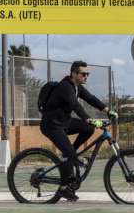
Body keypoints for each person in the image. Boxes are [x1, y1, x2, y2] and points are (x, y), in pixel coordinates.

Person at [40, 60, 116, 202]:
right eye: (83, 74)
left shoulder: (77, 87)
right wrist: (88, 118)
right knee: (71, 151)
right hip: (52, 125)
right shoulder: (65, 87)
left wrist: (108, 111)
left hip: (64, 122)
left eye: (87, 74)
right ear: (74, 73)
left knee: (88, 129)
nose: (86, 76)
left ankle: (70, 154)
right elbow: (75, 105)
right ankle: (63, 189)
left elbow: (91, 99)